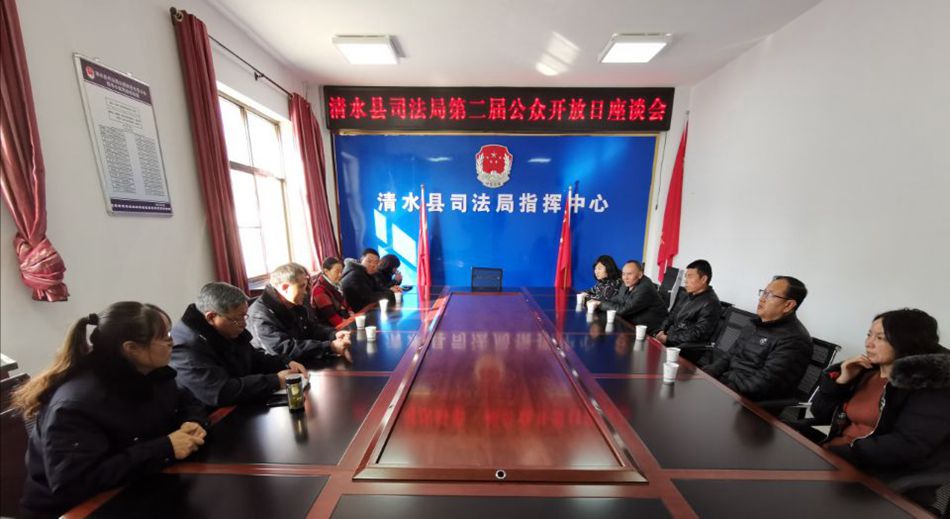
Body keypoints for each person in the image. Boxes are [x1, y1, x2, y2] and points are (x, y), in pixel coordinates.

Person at [12, 302, 209, 518]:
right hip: (76, 510)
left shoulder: (153, 373)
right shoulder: (76, 404)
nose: (173, 342)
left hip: (139, 487)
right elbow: (75, 483)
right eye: (165, 337)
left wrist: (193, 421)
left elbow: (189, 402)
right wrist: (165, 448)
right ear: (131, 348)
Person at [811, 309, 950, 514]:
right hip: (836, 461)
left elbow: (907, 445)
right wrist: (841, 381)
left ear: (906, 342)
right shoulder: (865, 371)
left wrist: (841, 451)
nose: (869, 343)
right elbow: (820, 413)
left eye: (880, 338)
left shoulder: (931, 388)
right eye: (869, 335)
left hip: (878, 480)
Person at [169, 282, 309, 407]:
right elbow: (219, 392)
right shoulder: (186, 347)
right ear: (211, 317)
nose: (243, 324)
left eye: (244, 316)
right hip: (212, 417)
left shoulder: (226, 328)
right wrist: (275, 381)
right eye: (237, 319)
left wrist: (284, 363)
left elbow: (252, 358)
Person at [703, 276, 812, 400]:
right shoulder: (754, 324)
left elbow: (762, 384)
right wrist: (705, 375)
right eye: (764, 293)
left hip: (748, 402)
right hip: (728, 388)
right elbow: (729, 356)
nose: (762, 299)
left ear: (788, 305)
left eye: (770, 295)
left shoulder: (795, 340)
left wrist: (721, 390)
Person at [248, 262, 351, 362]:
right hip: (279, 368)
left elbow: (310, 328)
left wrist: (333, 334)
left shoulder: (293, 302)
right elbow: (283, 348)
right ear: (285, 287)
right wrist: (330, 346)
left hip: (302, 360)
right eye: (302, 286)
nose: (306, 292)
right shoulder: (260, 315)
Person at [656, 259, 722, 361]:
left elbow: (696, 334)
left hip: (685, 350)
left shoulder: (711, 304)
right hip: (671, 341)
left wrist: (668, 339)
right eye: (686, 276)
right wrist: (661, 330)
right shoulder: (687, 294)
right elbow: (671, 315)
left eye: (690, 276)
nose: (685, 280)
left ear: (703, 279)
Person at [593, 260, 668, 333]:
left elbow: (623, 310)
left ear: (640, 275)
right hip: (632, 324)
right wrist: (598, 301)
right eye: (623, 274)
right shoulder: (628, 281)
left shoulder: (645, 288)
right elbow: (618, 299)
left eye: (629, 274)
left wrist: (600, 304)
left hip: (652, 330)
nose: (625, 277)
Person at [311, 256, 353, 326]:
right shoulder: (319, 290)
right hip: (330, 327)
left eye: (341, 271)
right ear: (326, 271)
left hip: (344, 319)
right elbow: (332, 318)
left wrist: (352, 314)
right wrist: (351, 324)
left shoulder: (336, 284)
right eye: (337, 271)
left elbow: (346, 304)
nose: (340, 275)